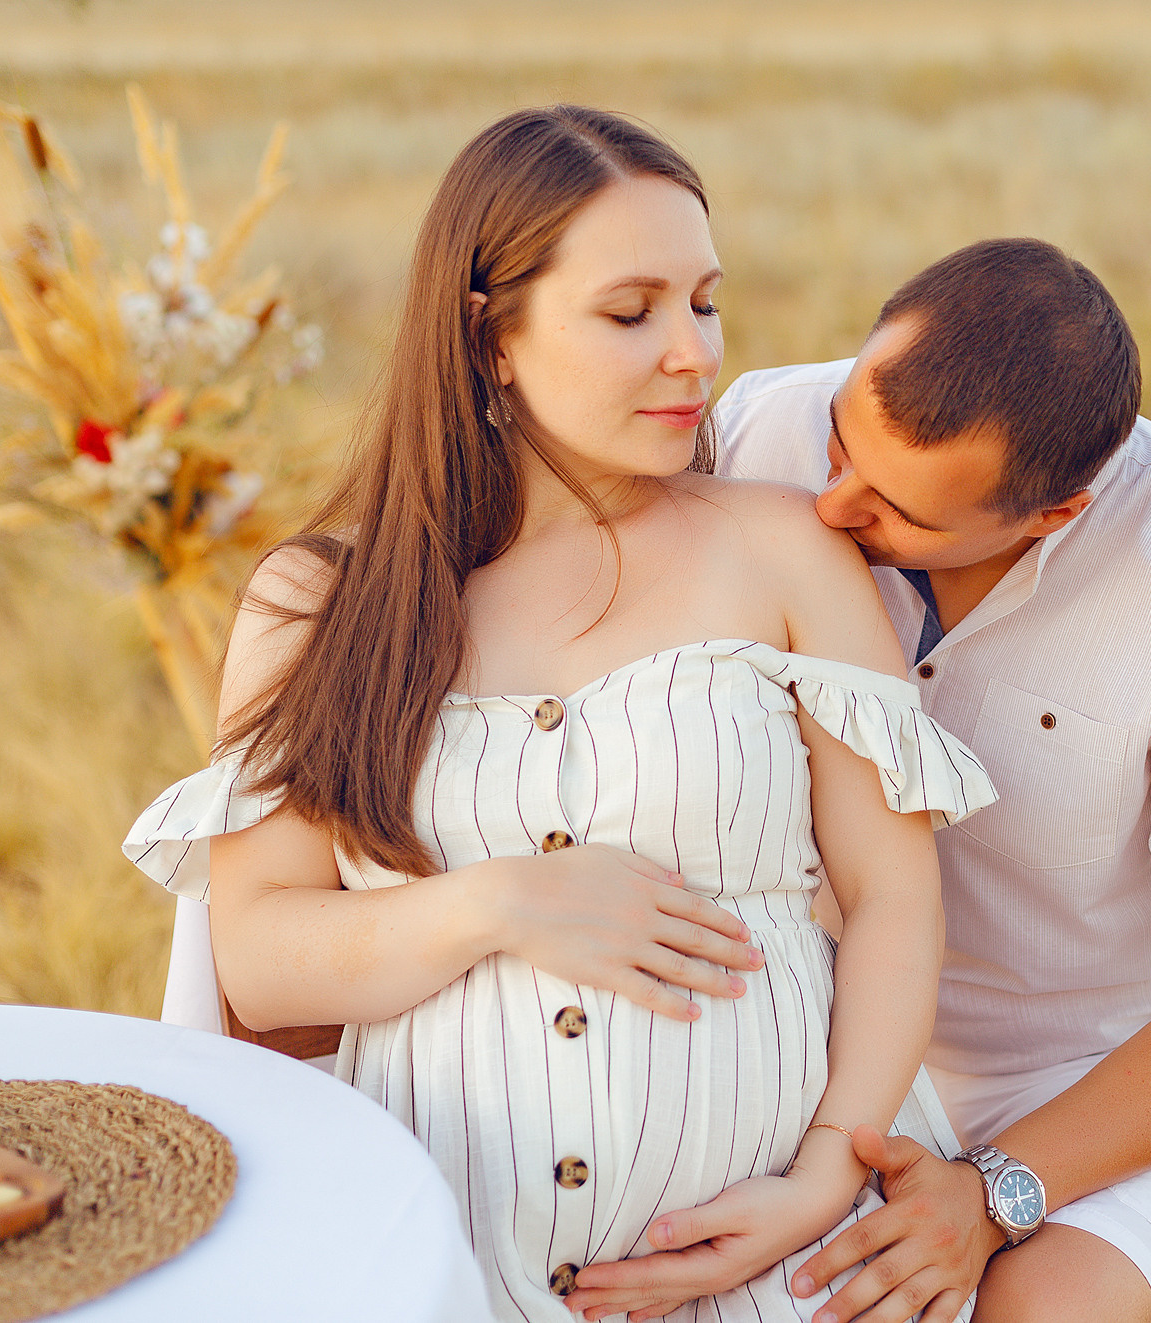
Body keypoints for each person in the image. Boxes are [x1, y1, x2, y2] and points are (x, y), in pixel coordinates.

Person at [122, 106, 995, 1323]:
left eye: (703, 302)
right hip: (440, 1258)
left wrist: (825, 1173)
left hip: (791, 1264)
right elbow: (258, 960)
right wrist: (500, 901)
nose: (692, 352)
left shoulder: (781, 549)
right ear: (490, 336)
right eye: (630, 311)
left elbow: (899, 898)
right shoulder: (321, 601)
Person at [565, 239, 1151, 1323]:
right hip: (797, 1024)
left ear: (1053, 514)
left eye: (902, 514)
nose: (833, 507)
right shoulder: (756, 430)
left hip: (1095, 1076)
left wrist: (990, 1196)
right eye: (841, 442)